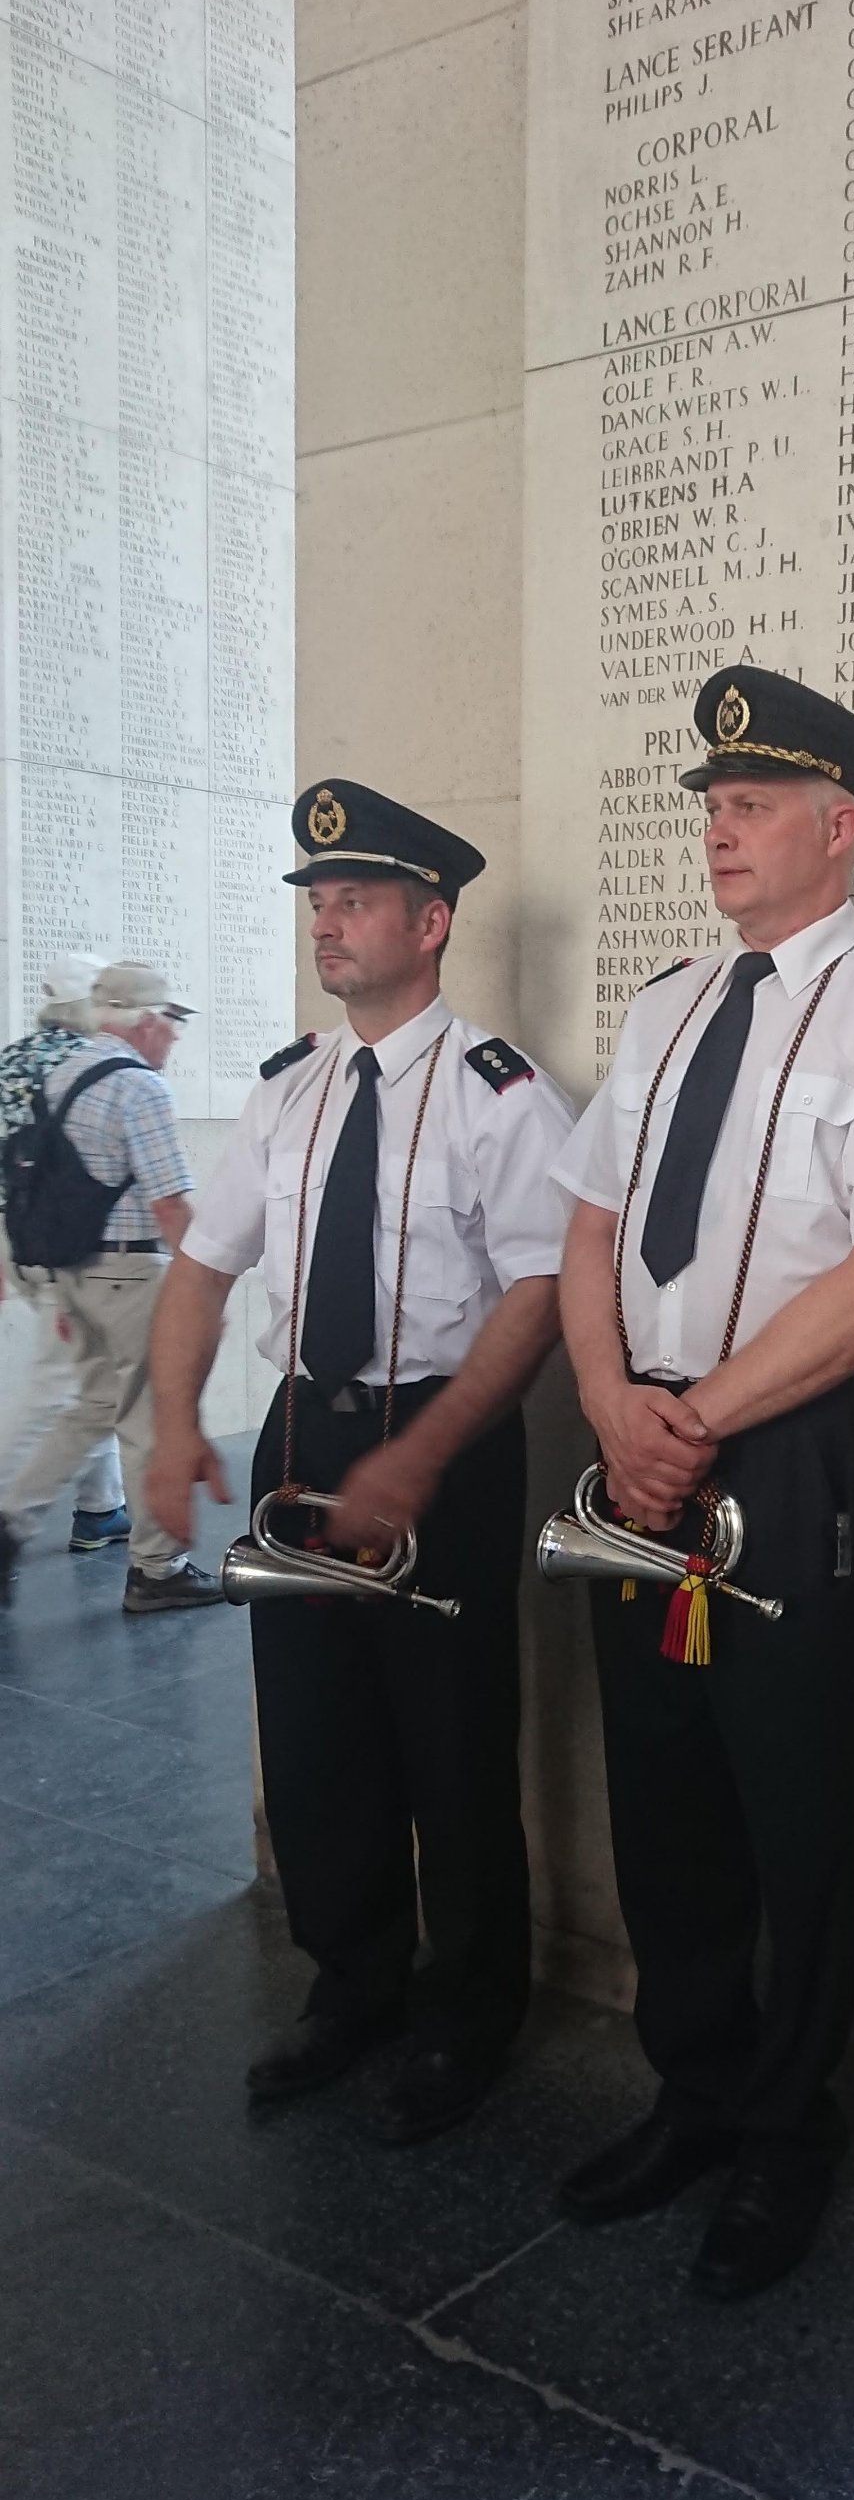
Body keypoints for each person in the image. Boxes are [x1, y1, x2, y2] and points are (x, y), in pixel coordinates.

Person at [554, 666, 854, 2298]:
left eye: (750, 807)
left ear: (838, 826)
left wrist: (696, 1418)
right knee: (660, 1779)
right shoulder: (666, 1007)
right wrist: (614, 1404)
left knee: (791, 1795)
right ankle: (694, 2090)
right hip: (637, 1441)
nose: (719, 832)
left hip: (786, 1451)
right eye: (713, 808)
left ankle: (786, 2130)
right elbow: (591, 1225)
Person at [146, 781, 578, 2145]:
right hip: (305, 1432)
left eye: (355, 902)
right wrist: (172, 1425)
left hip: (441, 1436)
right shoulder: (291, 1089)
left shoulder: (502, 1096)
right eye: (318, 903)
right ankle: (354, 1985)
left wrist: (427, 1453)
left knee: (450, 1740)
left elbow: (541, 1294)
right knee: (315, 1729)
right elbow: (205, 1266)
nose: (325, 924)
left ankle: (469, 2012)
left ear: (430, 923)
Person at [0, 961, 216, 1613]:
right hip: (129, 1274)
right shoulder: (138, 1086)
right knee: (149, 1416)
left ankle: (10, 1522)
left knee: (93, 1404)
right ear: (146, 1021)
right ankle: (157, 1569)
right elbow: (169, 1203)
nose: (175, 1034)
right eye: (172, 1020)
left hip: (72, 1272)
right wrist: (205, 1282)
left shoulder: (62, 1073)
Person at [0, 957, 130, 1579]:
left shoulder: (12, 1061)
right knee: (57, 1382)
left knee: (91, 1372)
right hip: (70, 1245)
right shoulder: (83, 1064)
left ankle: (101, 1507)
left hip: (20, 1238)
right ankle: (7, 1513)